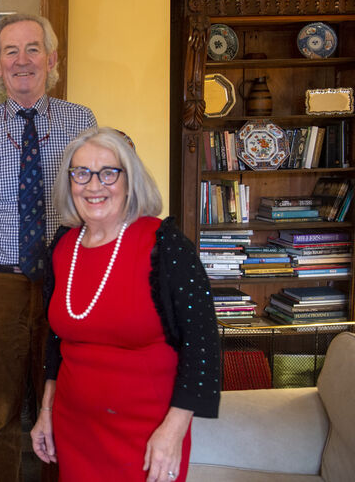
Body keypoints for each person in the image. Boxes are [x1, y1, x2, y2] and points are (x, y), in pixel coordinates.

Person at [30, 128, 221, 482]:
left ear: (129, 180)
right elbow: (57, 341)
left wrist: (174, 431)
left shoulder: (165, 245)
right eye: (81, 173)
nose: (93, 185)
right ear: (69, 181)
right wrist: (46, 410)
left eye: (108, 173)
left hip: (147, 433)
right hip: (75, 429)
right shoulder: (63, 247)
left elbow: (203, 347)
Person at [0, 13, 97, 481]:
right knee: (2, 405)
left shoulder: (82, 121)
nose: (22, 61)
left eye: (32, 49)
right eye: (10, 52)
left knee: (59, 397)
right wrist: (0, 259)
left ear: (51, 59)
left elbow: (95, 197)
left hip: (68, 281)